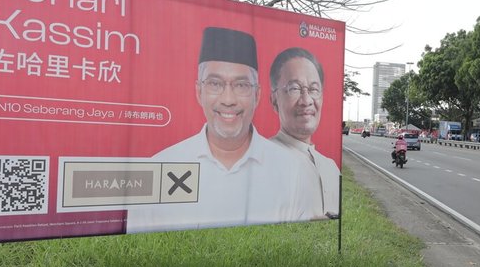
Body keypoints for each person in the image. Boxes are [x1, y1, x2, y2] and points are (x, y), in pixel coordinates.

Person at [126, 27, 322, 233]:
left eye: (241, 85)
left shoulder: (292, 172)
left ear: (257, 95)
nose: (228, 100)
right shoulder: (160, 167)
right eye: (215, 84)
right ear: (199, 91)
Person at [269, 47, 340, 218]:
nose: (306, 100)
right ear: (274, 99)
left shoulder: (331, 167)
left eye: (314, 89)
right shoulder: (263, 160)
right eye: (294, 88)